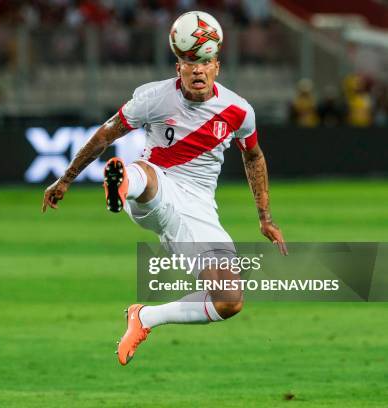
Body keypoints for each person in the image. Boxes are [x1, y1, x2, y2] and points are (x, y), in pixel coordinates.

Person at [42, 11, 287, 366]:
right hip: (156, 187)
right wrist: (66, 179)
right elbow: (105, 134)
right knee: (146, 175)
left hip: (199, 209)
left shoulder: (238, 111)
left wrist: (265, 217)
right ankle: (122, 182)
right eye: (190, 63)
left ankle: (144, 317)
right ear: (179, 69)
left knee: (230, 299)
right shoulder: (153, 99)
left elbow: (254, 158)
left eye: (204, 62)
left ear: (217, 67)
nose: (198, 70)